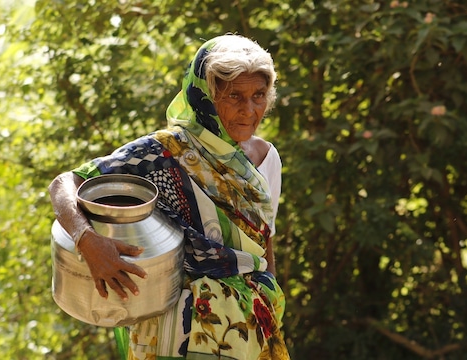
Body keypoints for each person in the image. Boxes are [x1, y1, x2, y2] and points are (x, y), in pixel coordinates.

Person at [49, 34, 289, 359]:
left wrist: (271, 300)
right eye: (234, 96)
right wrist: (87, 240)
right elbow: (64, 184)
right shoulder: (166, 151)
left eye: (259, 95)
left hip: (250, 329)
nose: (249, 110)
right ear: (206, 96)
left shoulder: (266, 158)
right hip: (177, 331)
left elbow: (264, 242)